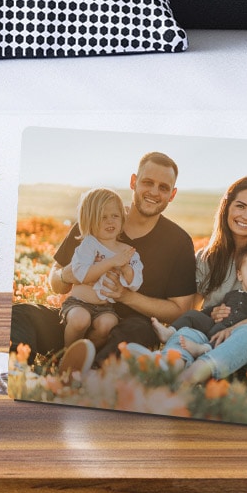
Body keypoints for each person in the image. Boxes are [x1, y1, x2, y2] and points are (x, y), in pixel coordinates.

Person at [40, 152, 196, 373]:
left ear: (172, 194)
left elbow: (179, 310)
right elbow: (56, 280)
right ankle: (38, 363)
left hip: (130, 326)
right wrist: (67, 275)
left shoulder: (178, 242)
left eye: (163, 187)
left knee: (135, 332)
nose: (154, 192)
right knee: (24, 316)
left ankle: (89, 373)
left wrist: (126, 296)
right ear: (133, 182)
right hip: (77, 316)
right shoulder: (96, 219)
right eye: (148, 182)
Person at [130, 176, 247, 385]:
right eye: (240, 206)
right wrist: (212, 312)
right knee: (188, 331)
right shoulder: (207, 257)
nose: (246, 216)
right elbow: (190, 308)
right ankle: (169, 365)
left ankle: (191, 376)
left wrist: (230, 330)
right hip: (212, 340)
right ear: (226, 208)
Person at [153, 242, 247, 359]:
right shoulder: (232, 294)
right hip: (216, 325)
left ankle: (203, 349)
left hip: (234, 334)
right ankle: (170, 332)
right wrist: (202, 316)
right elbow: (213, 309)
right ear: (240, 275)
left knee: (222, 336)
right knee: (192, 315)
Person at [60, 188, 143, 348]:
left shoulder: (128, 251)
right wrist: (111, 262)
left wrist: (126, 270)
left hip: (105, 307)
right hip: (79, 303)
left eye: (115, 216)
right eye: (103, 217)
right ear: (89, 220)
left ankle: (86, 355)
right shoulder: (89, 244)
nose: (110, 221)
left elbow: (136, 283)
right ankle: (67, 354)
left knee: (108, 324)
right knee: (80, 320)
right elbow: (82, 275)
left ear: (122, 218)